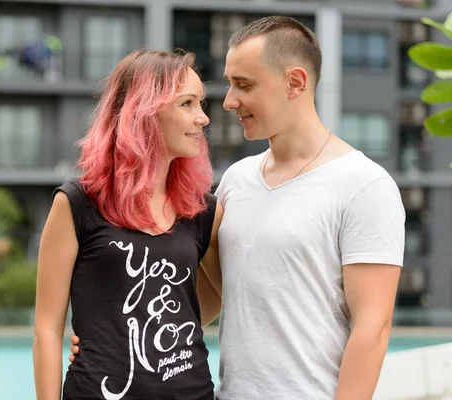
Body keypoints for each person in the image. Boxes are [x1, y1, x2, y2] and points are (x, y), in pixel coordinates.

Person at [70, 16, 405, 400]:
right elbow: (212, 294)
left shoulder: (364, 185)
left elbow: (373, 327)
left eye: (244, 85)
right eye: (229, 84)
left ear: (295, 82)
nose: (229, 102)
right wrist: (114, 339)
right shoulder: (236, 180)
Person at [33, 49, 224, 400]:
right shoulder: (78, 203)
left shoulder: (202, 210)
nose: (203, 118)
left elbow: (211, 298)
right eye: (187, 104)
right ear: (144, 111)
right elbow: (47, 328)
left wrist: (161, 325)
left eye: (201, 103)